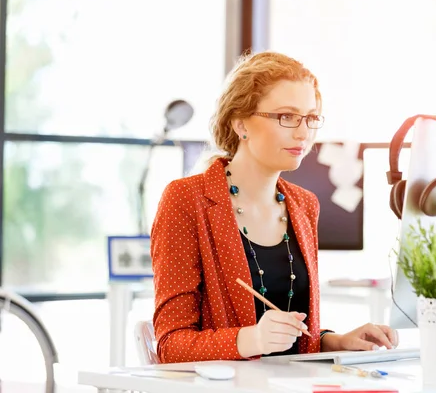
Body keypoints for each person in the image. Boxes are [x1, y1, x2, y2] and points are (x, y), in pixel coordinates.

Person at [151, 51, 398, 363]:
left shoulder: (304, 205)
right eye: (287, 117)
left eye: (310, 118)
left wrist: (336, 342)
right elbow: (171, 345)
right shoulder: (186, 199)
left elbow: (293, 339)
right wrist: (250, 339)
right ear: (240, 124)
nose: (303, 132)